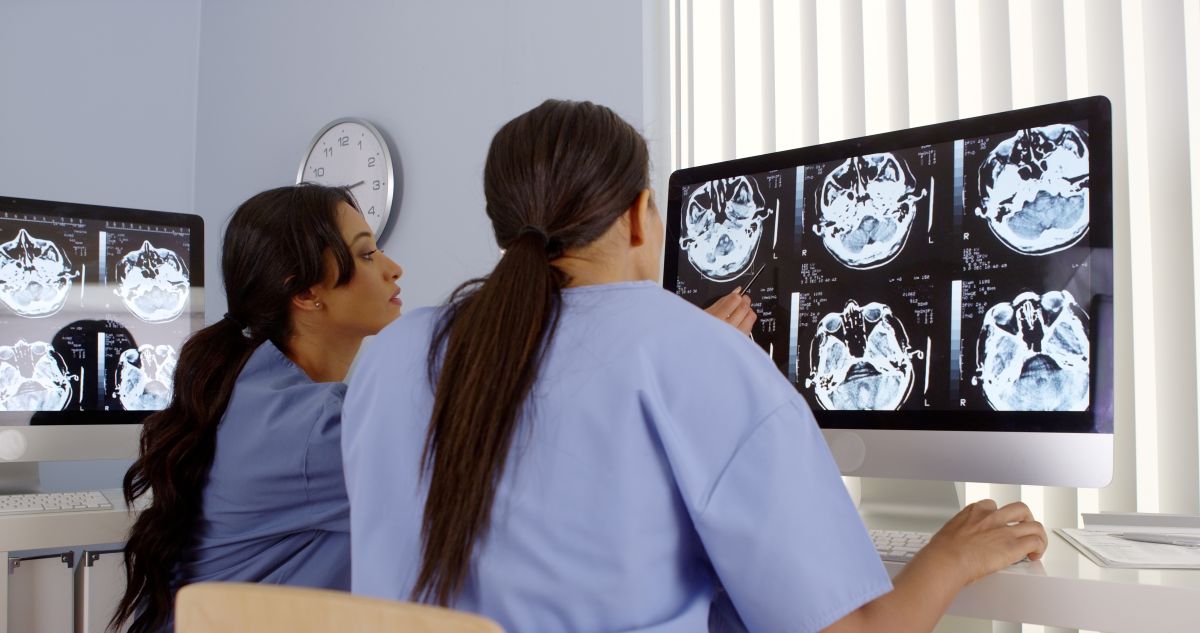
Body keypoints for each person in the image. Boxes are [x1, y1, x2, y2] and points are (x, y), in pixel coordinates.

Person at [342, 100, 1046, 633]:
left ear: (503, 225)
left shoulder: (392, 356)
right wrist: (950, 556)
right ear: (641, 215)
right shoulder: (693, 355)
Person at [113, 183, 404, 633]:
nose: (393, 269)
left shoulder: (248, 388)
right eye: (367, 255)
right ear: (306, 293)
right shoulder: (311, 428)